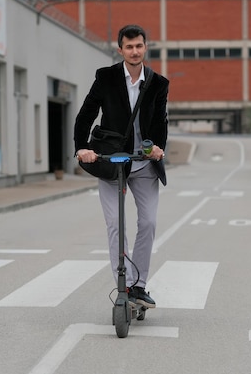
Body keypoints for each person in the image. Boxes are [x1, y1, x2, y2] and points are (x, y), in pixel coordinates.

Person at [74, 24, 169, 308]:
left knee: (149, 222)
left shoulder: (158, 82)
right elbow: (86, 114)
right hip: (113, 162)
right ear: (120, 50)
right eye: (129, 47)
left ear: (145, 47)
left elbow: (160, 121)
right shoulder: (106, 77)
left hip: (143, 163)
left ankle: (139, 286)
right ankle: (123, 285)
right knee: (116, 224)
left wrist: (157, 148)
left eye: (139, 46)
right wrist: (82, 148)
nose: (135, 51)